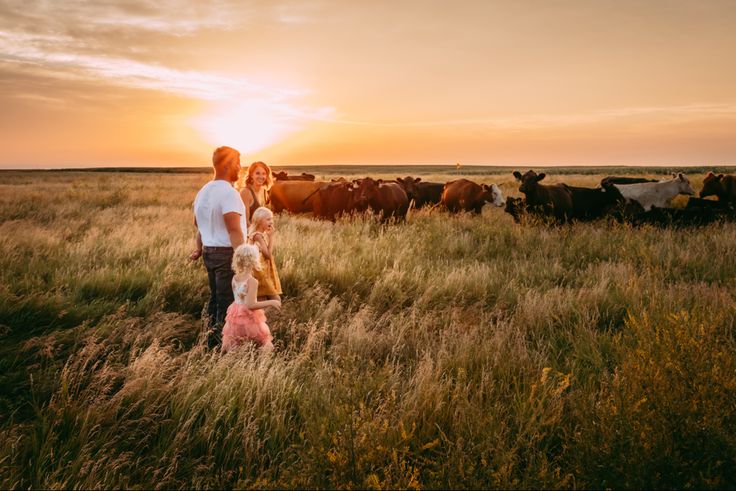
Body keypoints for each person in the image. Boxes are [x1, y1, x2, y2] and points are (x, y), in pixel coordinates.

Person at [190, 146, 247, 349]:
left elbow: (198, 225)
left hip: (209, 252)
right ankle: (221, 349)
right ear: (228, 164)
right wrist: (244, 262)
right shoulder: (229, 193)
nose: (240, 167)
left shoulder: (203, 191)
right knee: (227, 305)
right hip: (226, 254)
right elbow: (234, 230)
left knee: (215, 300)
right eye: (238, 163)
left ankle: (210, 341)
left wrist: (200, 248)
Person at [221, 244, 281, 353]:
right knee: (265, 344)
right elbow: (250, 304)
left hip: (236, 313)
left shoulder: (235, 278)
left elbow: (239, 298)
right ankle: (261, 365)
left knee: (237, 344)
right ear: (254, 260)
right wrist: (271, 302)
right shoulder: (252, 281)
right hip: (248, 316)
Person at [247, 207, 283, 301]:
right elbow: (268, 255)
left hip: (262, 272)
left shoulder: (258, 234)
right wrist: (271, 237)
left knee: (262, 298)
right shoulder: (258, 236)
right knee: (275, 299)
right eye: (268, 219)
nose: (271, 222)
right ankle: (261, 315)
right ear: (259, 221)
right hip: (261, 273)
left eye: (272, 219)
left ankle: (261, 315)